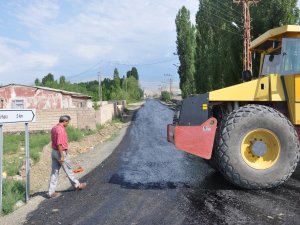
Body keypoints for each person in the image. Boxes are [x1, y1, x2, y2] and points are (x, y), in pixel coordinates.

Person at [48, 115, 86, 198]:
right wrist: (62, 156)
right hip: (60, 152)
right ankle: (77, 185)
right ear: (65, 121)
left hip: (54, 152)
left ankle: (51, 192)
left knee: (54, 172)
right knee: (68, 170)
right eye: (68, 122)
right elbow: (59, 144)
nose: (68, 124)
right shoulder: (61, 130)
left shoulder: (54, 128)